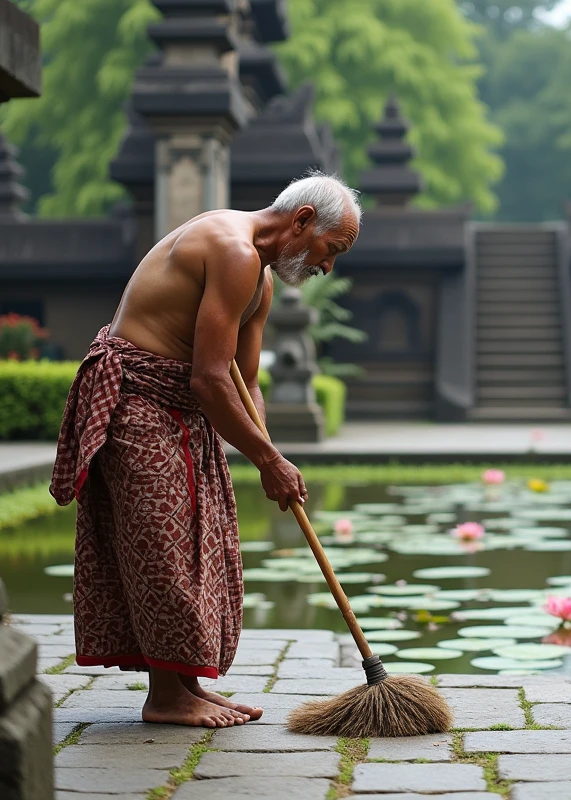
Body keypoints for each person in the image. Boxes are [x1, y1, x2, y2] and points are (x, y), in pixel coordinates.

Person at [51, 172, 361, 727]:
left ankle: (186, 685)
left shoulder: (259, 280)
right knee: (162, 546)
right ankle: (166, 698)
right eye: (331, 250)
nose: (327, 267)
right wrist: (268, 462)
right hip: (139, 400)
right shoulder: (232, 249)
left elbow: (245, 378)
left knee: (200, 542)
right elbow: (209, 379)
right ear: (303, 221)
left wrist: (264, 446)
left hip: (183, 408)